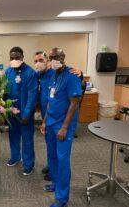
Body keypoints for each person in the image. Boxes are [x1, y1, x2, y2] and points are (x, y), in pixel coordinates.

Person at [40, 48, 82, 207]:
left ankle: (62, 198)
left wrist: (64, 127)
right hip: (50, 122)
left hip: (63, 125)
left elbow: (74, 103)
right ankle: (56, 184)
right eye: (51, 57)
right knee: (52, 157)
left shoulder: (72, 76)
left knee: (63, 160)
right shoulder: (53, 75)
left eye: (56, 57)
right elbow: (51, 99)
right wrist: (44, 121)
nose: (53, 60)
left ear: (63, 57)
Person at [5, 47, 38, 176]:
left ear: (22, 57)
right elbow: (5, 91)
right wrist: (4, 109)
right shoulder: (8, 71)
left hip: (25, 113)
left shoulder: (30, 73)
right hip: (11, 112)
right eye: (12, 58)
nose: (14, 60)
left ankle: (28, 164)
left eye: (17, 57)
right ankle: (15, 157)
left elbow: (32, 95)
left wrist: (27, 114)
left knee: (27, 138)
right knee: (13, 136)